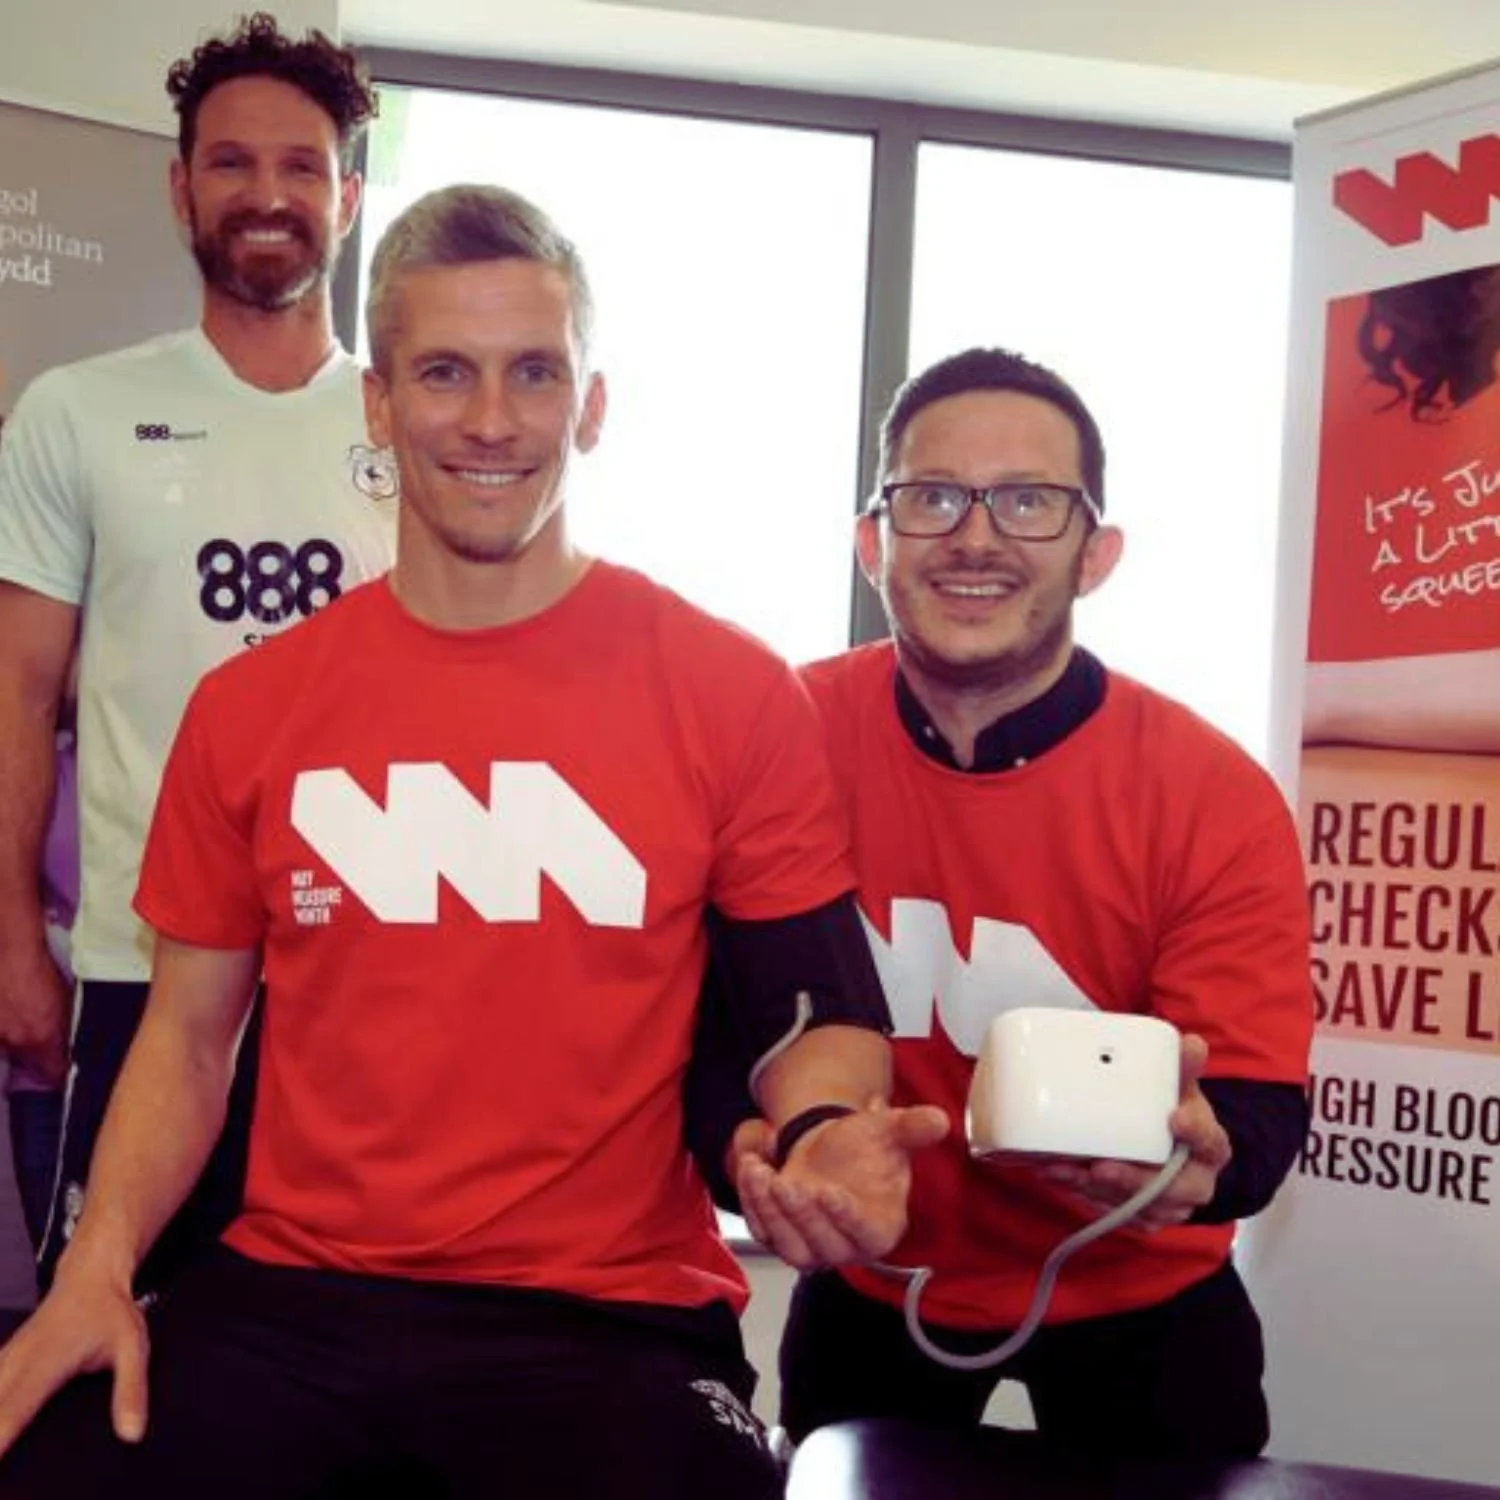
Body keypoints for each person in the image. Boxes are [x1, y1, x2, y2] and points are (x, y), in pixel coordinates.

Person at [0, 182, 947, 1498]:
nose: (492, 421)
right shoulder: (254, 708)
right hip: (293, 1301)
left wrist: (827, 1124)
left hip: (605, 1318)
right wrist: (97, 1269)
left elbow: (814, 1005)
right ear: (378, 406)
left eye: (535, 374)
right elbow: (189, 1039)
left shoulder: (728, 690)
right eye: (444, 373)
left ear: (592, 405)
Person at [714, 347, 1315, 1457]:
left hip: (1146, 1299)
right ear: (871, 543)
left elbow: (1264, 1115)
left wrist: (1200, 1157)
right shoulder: (777, 738)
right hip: (872, 1282)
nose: (977, 537)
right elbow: (707, 1033)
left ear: (1097, 554)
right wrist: (752, 1155)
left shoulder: (1209, 793)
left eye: (1031, 502)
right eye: (932, 497)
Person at [0, 13, 397, 1291]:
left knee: (348, 1347)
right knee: (117, 1334)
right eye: (230, 163)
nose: (266, 195)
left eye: (300, 165)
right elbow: (19, 689)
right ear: (180, 187)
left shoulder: (419, 416)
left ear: (348, 192)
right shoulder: (79, 411)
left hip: (374, 977)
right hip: (137, 962)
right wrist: (13, 938)